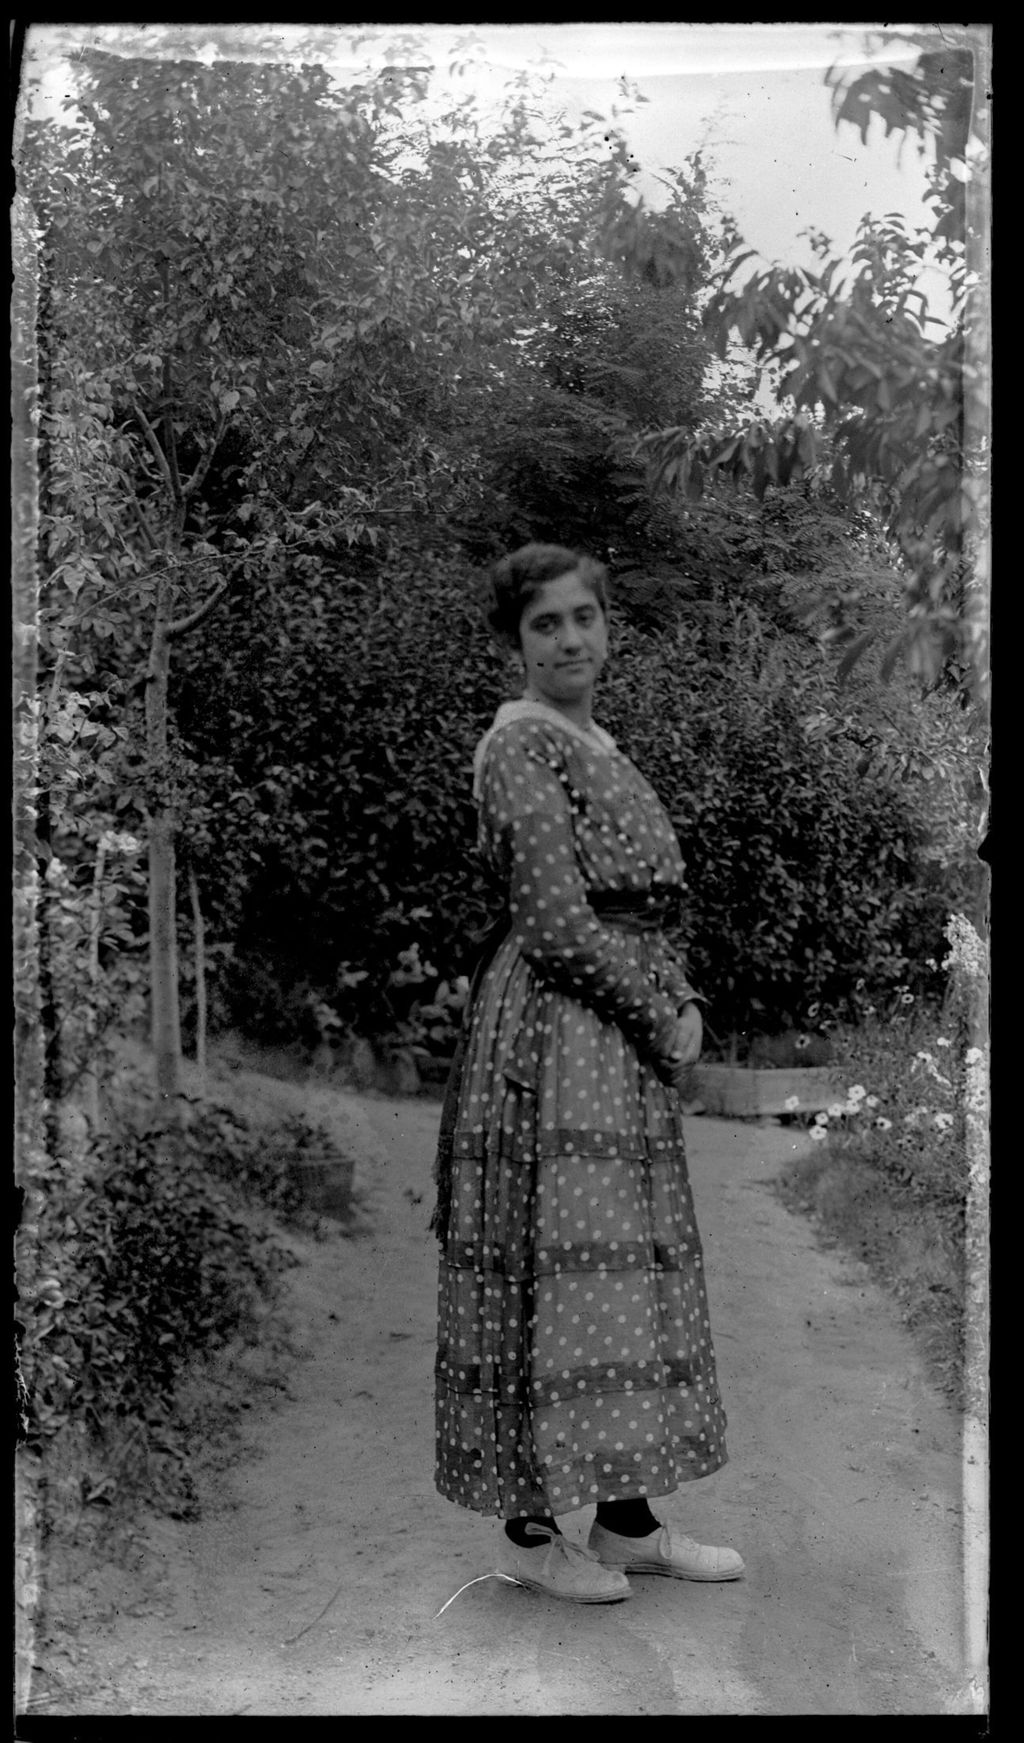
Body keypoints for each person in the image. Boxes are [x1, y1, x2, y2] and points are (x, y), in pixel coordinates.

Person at [431, 543, 742, 1603]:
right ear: (514, 643)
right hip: (554, 1036)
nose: (569, 639)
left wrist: (675, 997)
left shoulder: (593, 739)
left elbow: (635, 903)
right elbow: (558, 923)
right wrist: (663, 1010)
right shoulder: (520, 745)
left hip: (606, 1036)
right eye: (544, 625)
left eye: (583, 618)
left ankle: (624, 1523)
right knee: (540, 1265)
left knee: (615, 1273)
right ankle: (526, 1534)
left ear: (610, 626)